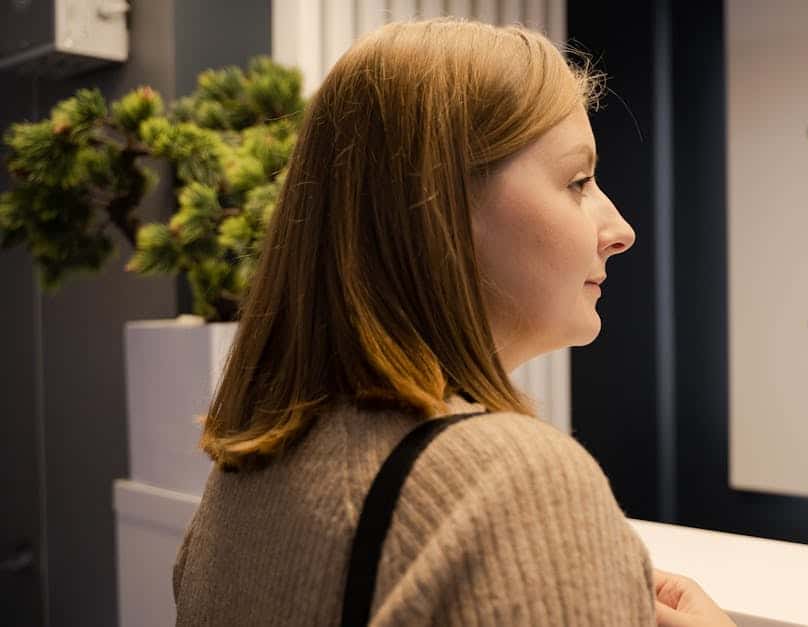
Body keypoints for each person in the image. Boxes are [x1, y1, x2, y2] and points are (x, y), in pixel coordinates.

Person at [171, 18, 736, 627]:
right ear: (439, 209)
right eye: (578, 181)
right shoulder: (514, 486)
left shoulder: (241, 478)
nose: (620, 231)